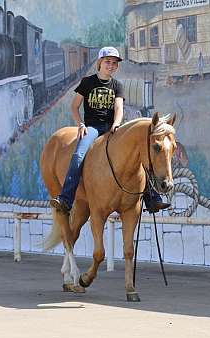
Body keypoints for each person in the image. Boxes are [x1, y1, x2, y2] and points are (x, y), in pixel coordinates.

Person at [50, 46, 170, 215]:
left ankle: (152, 198)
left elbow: (119, 107)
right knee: (78, 155)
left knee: (140, 154)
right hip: (92, 128)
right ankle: (66, 198)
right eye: (108, 62)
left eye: (114, 63)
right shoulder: (87, 82)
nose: (111, 65)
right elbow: (74, 106)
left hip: (111, 127)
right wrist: (81, 125)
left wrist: (116, 123)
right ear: (100, 62)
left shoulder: (117, 85)